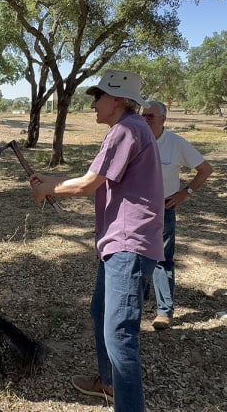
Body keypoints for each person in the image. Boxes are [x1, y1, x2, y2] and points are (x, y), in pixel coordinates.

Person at [31, 69, 164, 412]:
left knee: (120, 336)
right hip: (121, 245)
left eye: (98, 96)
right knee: (100, 312)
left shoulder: (125, 130)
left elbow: (89, 185)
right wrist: (51, 179)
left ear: (117, 100)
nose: (93, 104)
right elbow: (99, 179)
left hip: (128, 246)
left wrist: (50, 189)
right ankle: (107, 382)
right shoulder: (132, 129)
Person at [142, 100, 214, 330]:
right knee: (135, 255)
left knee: (162, 259)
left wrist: (186, 192)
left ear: (164, 118)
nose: (146, 120)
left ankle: (164, 312)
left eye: (151, 116)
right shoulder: (136, 139)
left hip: (164, 208)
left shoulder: (176, 143)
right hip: (135, 209)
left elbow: (205, 169)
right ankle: (137, 303)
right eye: (144, 115)